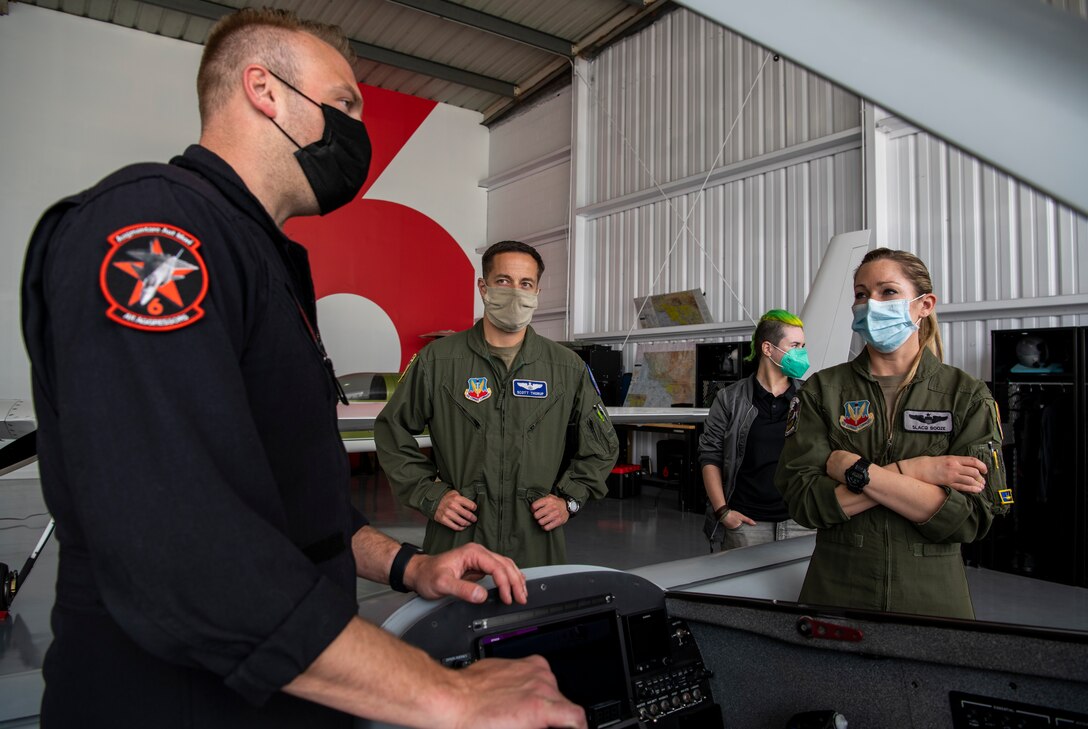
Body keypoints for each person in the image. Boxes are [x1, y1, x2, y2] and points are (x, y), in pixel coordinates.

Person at [20, 9, 587, 729]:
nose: (357, 128)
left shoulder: (264, 263)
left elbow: (294, 509)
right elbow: (185, 548)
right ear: (264, 89)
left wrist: (410, 567)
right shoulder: (156, 231)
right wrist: (451, 693)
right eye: (344, 102)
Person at [774, 248, 1011, 619]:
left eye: (888, 292)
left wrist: (857, 471)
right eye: (861, 294)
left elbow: (968, 518)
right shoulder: (822, 391)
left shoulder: (966, 396)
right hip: (836, 595)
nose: (871, 304)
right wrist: (918, 472)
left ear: (924, 305)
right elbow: (804, 503)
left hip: (930, 600)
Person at [375, 240, 620, 567]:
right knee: (454, 614)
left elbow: (603, 444)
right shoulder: (438, 360)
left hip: (535, 538)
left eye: (526, 284)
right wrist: (430, 495)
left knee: (531, 614)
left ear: (537, 293)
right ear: (484, 287)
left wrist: (570, 499)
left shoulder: (566, 367)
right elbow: (392, 430)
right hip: (459, 534)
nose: (515, 293)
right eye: (504, 281)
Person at [698, 309, 815, 551]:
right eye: (794, 345)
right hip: (747, 525)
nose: (801, 353)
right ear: (768, 349)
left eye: (803, 345)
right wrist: (723, 512)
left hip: (800, 522)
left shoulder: (810, 396)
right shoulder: (729, 399)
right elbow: (710, 456)